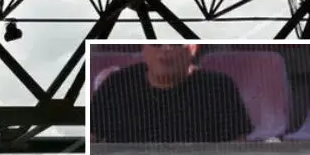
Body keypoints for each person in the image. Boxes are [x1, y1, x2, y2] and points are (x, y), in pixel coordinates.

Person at [90, 44, 253, 143]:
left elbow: (236, 146)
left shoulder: (219, 87)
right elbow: (91, 137)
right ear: (145, 50)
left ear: (193, 49)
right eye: (157, 44)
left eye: (175, 44)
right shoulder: (117, 84)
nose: (166, 50)